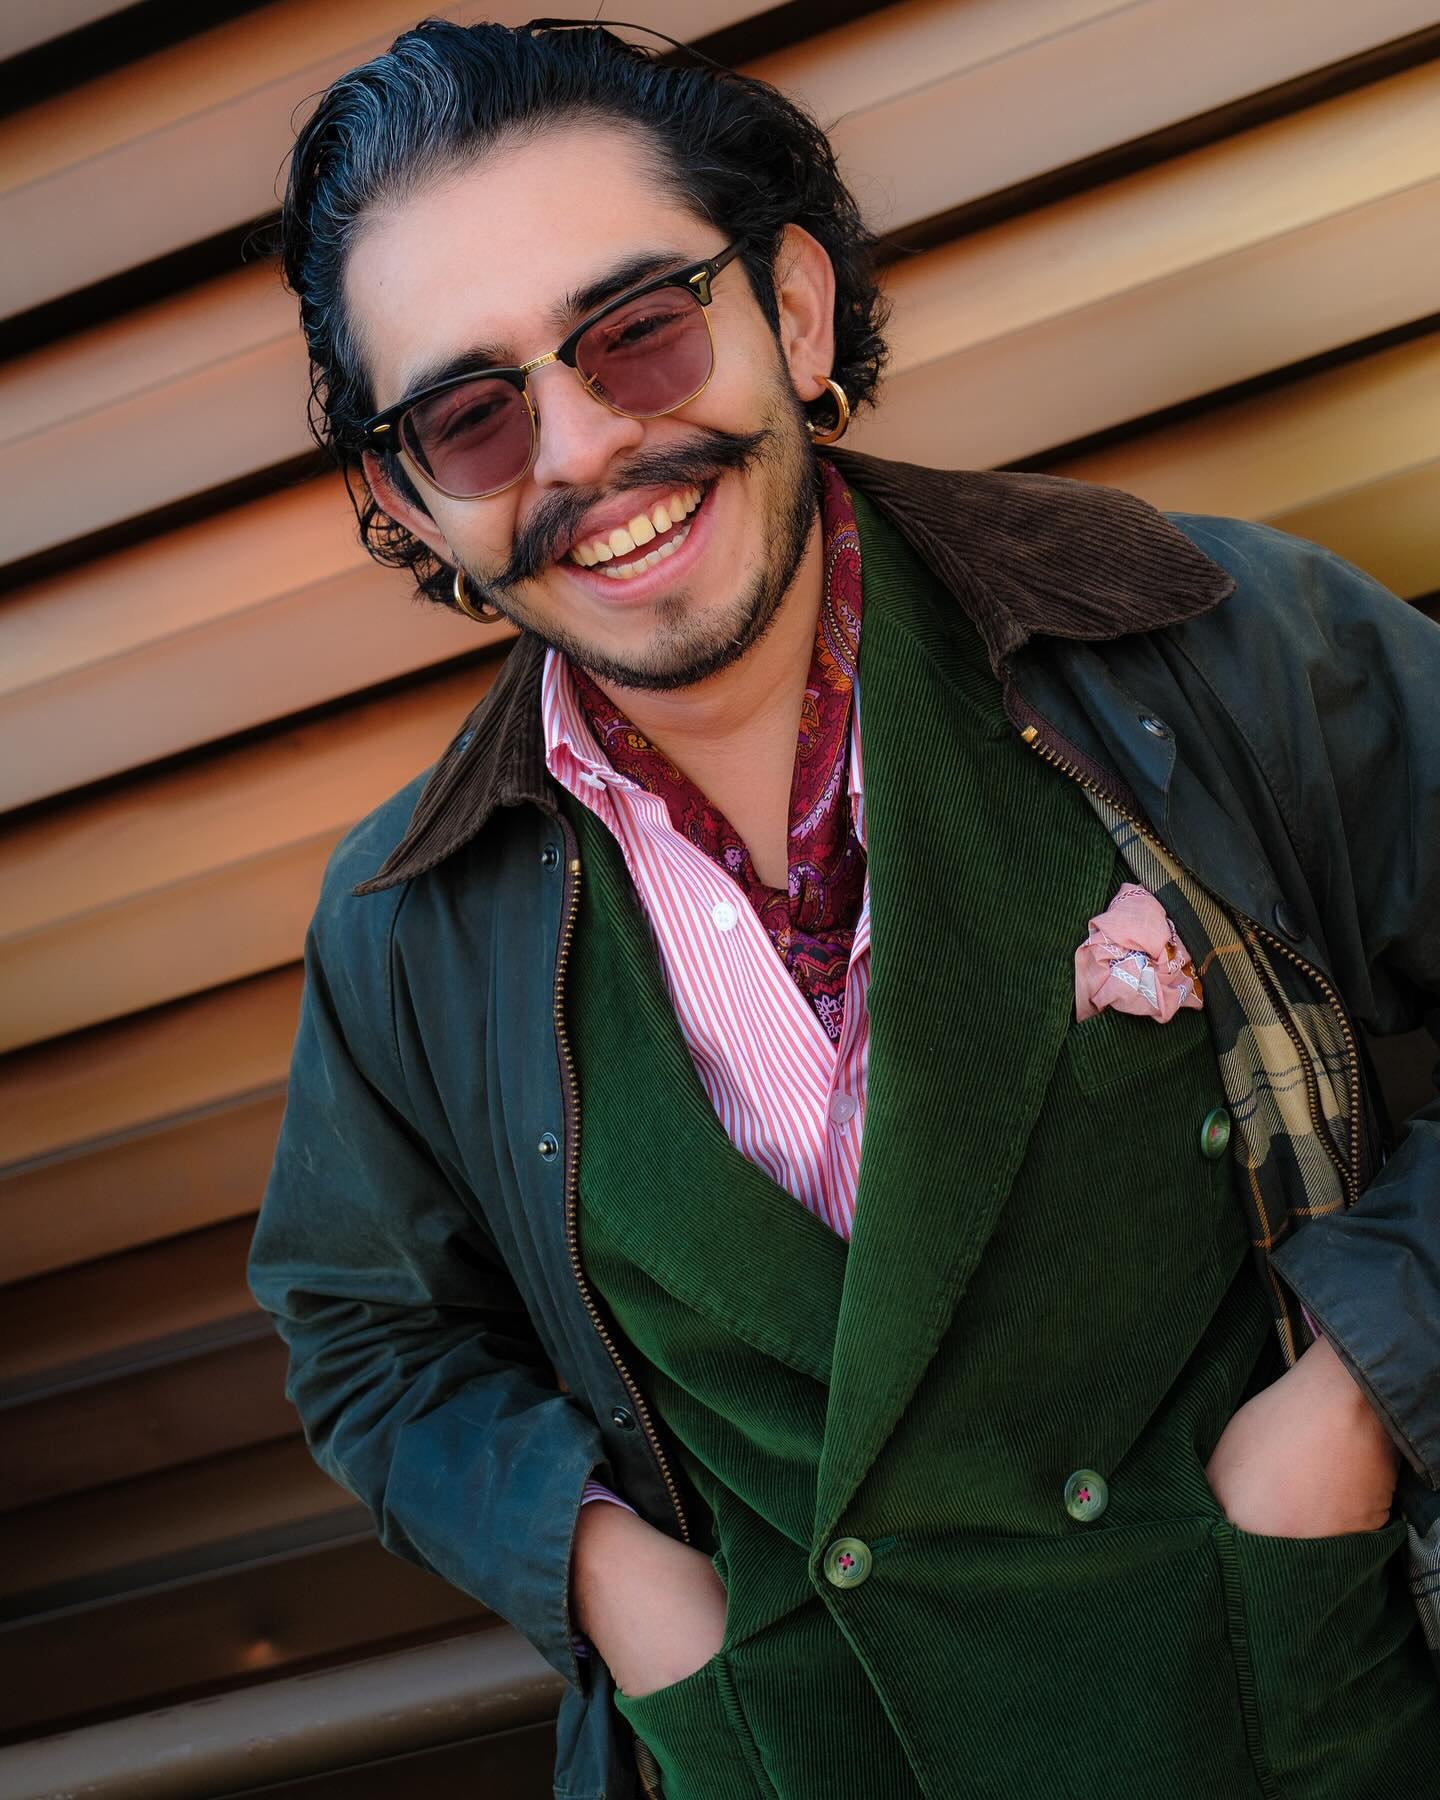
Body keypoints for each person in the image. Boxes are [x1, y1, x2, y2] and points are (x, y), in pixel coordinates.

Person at [247, 19, 1440, 1799]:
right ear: (410, 499)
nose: (586, 449)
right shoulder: (405, 928)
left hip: (1296, 1725)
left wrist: (1361, 1390)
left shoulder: (1203, 647)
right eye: (472, 417)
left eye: (638, 329)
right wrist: (616, 1580)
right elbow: (365, 1335)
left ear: (793, 313)